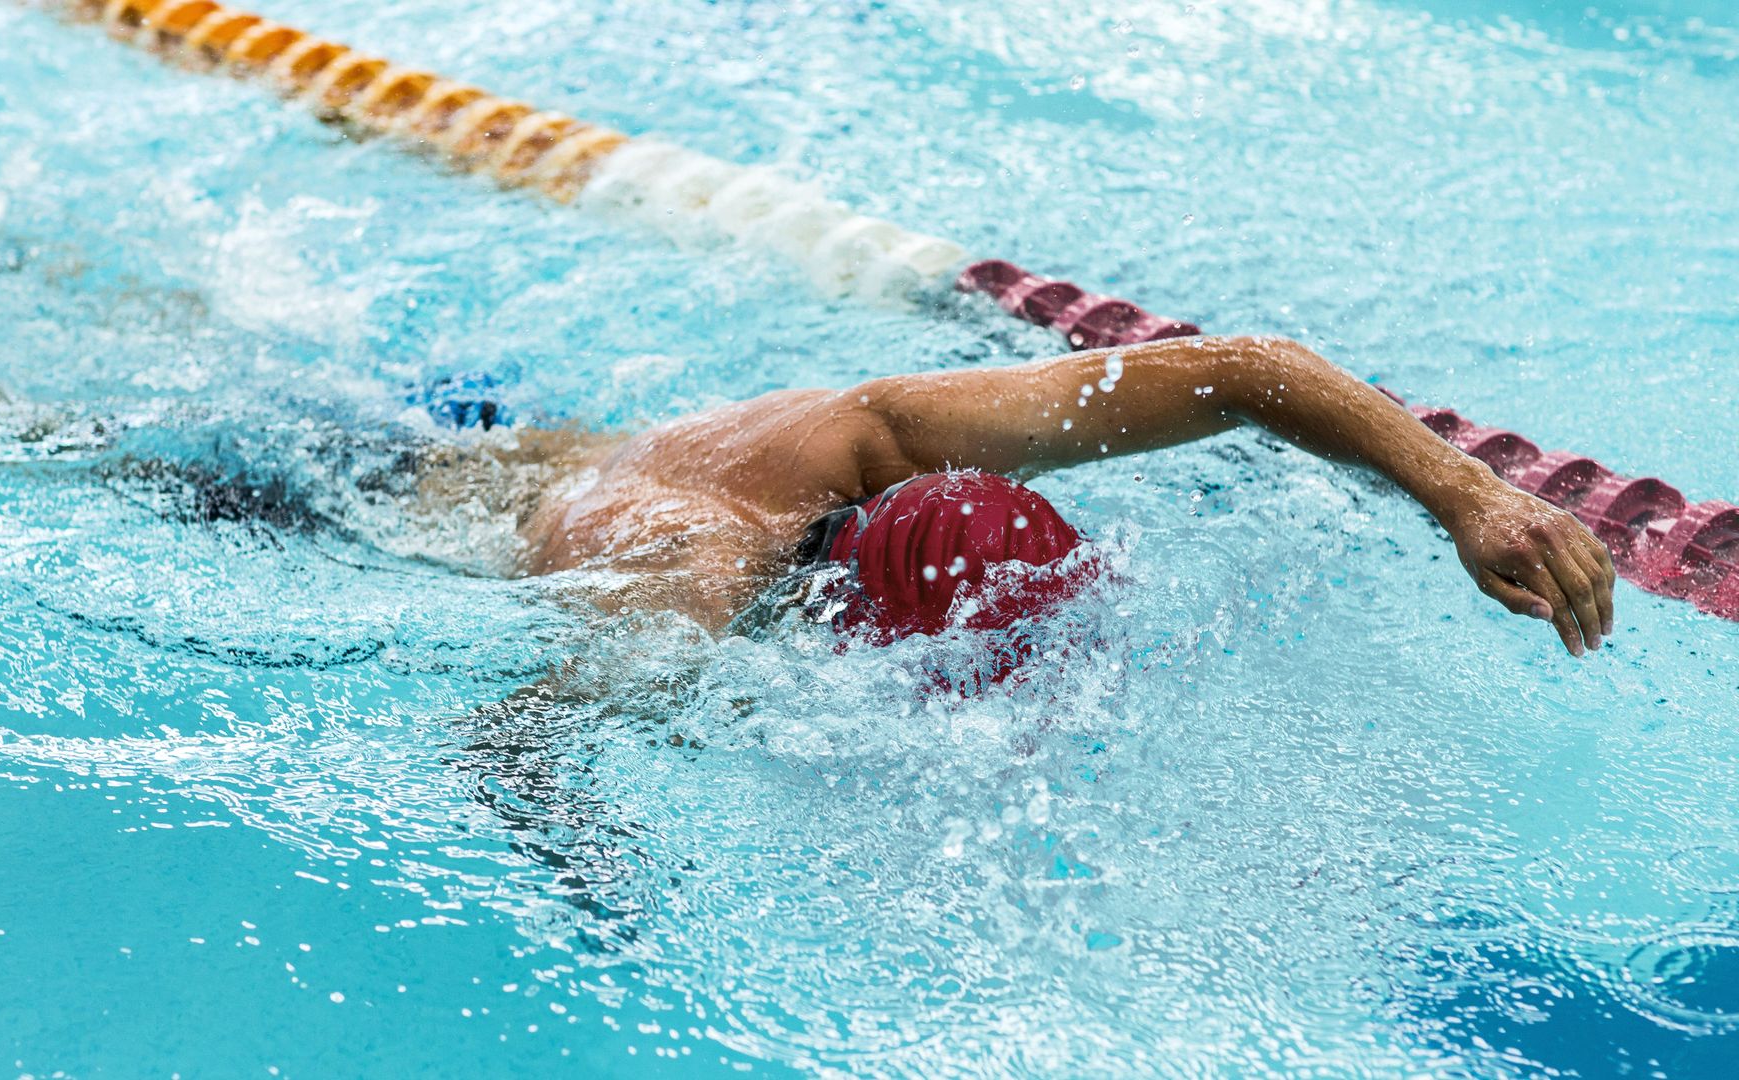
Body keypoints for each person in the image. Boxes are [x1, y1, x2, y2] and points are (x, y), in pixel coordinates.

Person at [442, 335, 1614, 657]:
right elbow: (535, 737)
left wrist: (1470, 495)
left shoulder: (887, 432)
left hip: (633, 438)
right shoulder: (690, 566)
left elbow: (1244, 371)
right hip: (465, 499)